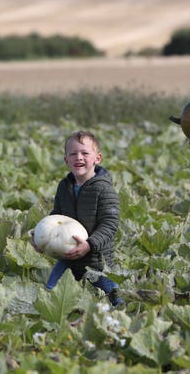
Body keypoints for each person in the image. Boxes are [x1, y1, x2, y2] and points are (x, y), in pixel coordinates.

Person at [31, 130, 123, 306]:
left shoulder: (104, 189)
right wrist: (40, 236)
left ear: (97, 158)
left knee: (115, 298)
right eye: (73, 154)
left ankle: (124, 313)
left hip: (97, 260)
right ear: (66, 160)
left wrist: (89, 245)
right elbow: (56, 217)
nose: (78, 157)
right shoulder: (64, 186)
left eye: (85, 153)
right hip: (68, 256)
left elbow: (110, 225)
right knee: (51, 292)